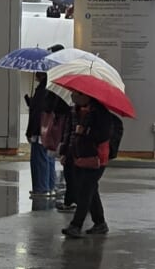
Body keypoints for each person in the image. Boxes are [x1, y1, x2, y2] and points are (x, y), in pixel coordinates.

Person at [63, 94, 121, 238]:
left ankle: (76, 225)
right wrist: (66, 152)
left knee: (85, 190)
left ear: (87, 96)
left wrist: (85, 131)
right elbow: (70, 134)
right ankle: (100, 223)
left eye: (77, 93)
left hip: (97, 158)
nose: (73, 95)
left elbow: (103, 135)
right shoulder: (75, 111)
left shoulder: (101, 113)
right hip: (80, 155)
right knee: (90, 190)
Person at [25, 76, 59, 200]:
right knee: (49, 158)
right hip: (49, 130)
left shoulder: (42, 90)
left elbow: (39, 111)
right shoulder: (53, 87)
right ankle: (49, 186)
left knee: (39, 160)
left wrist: (30, 131)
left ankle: (41, 188)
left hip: (40, 130)